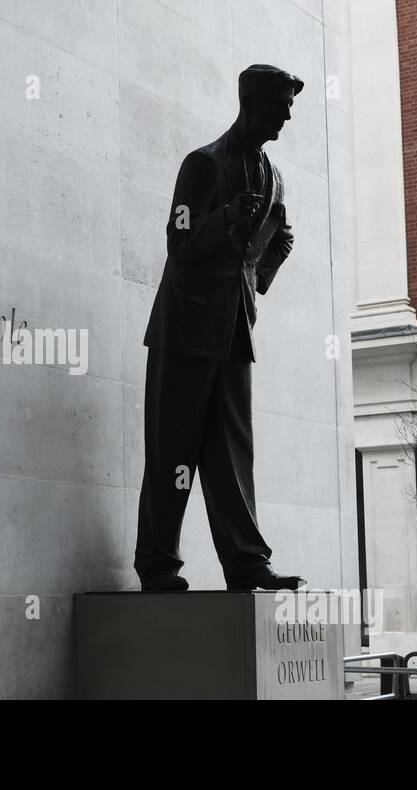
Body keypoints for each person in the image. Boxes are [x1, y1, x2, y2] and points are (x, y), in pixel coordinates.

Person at [134, 64, 308, 593]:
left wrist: (269, 259)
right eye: (281, 103)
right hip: (184, 328)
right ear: (252, 102)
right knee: (173, 448)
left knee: (232, 449)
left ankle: (246, 561)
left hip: (234, 329)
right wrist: (227, 217)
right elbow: (179, 243)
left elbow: (265, 253)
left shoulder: (274, 175)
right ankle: (158, 564)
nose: (288, 114)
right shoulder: (203, 165)